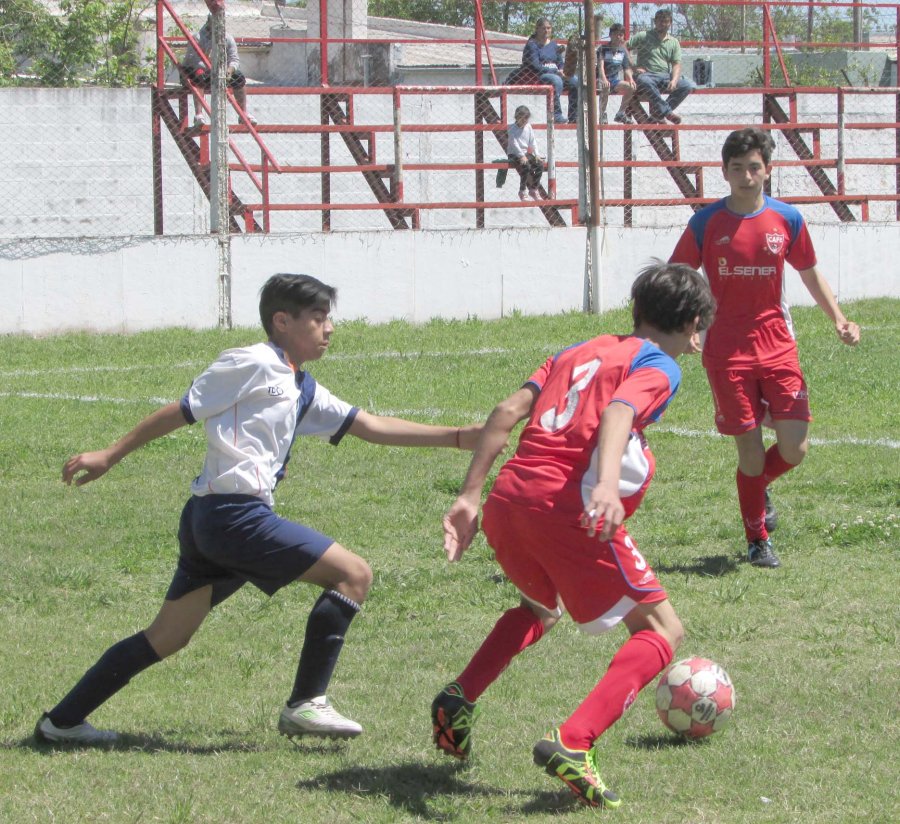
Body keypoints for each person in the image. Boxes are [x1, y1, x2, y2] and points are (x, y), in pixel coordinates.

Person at [35, 273, 480, 746]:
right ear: (282, 321)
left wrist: (455, 437)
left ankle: (60, 722)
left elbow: (368, 425)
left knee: (167, 636)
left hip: (212, 520)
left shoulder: (301, 386)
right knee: (354, 574)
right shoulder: (250, 362)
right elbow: (182, 409)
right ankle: (306, 704)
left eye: (329, 317)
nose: (328, 328)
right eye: (318, 317)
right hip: (232, 518)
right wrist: (111, 454)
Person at [431, 263, 716, 809]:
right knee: (662, 629)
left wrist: (469, 495)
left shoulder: (577, 350)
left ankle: (461, 695)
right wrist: (606, 486)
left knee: (540, 608)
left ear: (637, 310)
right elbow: (619, 411)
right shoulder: (657, 363)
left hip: (509, 500)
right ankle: (575, 741)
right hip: (566, 507)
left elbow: (506, 411)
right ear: (695, 324)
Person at [669, 128, 860, 568]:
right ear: (725, 172)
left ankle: (757, 488)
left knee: (795, 448)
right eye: (737, 168)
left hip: (777, 344)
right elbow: (680, 275)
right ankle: (757, 538)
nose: (746, 175)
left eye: (754, 167)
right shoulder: (706, 222)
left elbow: (810, 273)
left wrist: (839, 319)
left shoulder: (787, 219)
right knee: (750, 453)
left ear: (767, 170)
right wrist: (688, 324)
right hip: (727, 352)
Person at [181, 14, 256, 128]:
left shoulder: (227, 38)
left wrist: (230, 70)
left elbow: (234, 59)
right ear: (209, 23)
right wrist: (214, 69)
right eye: (215, 22)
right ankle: (199, 115)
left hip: (218, 72)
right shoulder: (198, 37)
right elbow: (194, 61)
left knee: (239, 77)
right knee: (199, 75)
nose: (219, 26)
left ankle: (243, 113)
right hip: (196, 70)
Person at [627, 9, 693, 124]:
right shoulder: (644, 36)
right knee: (644, 80)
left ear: (670, 23)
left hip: (664, 77)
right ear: (655, 22)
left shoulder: (673, 42)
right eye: (660, 21)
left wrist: (674, 80)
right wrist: (633, 67)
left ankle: (658, 113)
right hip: (647, 76)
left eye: (666, 21)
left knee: (686, 85)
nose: (663, 24)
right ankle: (667, 113)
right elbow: (624, 46)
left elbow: (676, 64)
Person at [519, 18, 580, 125]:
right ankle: (556, 115)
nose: (546, 31)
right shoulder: (532, 45)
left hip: (556, 73)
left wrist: (562, 70)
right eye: (543, 28)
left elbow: (560, 62)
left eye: (548, 28)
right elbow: (535, 66)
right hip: (539, 76)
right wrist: (554, 71)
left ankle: (573, 116)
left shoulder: (553, 45)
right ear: (537, 29)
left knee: (574, 81)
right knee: (556, 80)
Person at [598, 23, 636, 125]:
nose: (618, 37)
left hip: (614, 80)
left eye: (621, 35)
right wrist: (604, 79)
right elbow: (600, 66)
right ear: (610, 35)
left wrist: (631, 79)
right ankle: (602, 114)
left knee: (631, 87)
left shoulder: (622, 51)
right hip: (601, 79)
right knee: (606, 87)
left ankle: (620, 113)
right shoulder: (603, 49)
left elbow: (626, 68)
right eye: (616, 34)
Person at [507, 105, 544, 201]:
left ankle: (534, 189)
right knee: (526, 166)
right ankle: (522, 190)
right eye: (522, 119)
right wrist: (521, 156)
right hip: (514, 153)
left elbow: (533, 141)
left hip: (525, 153)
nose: (524, 122)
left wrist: (537, 154)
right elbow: (514, 144)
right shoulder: (511, 128)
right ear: (517, 117)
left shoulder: (528, 127)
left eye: (526, 119)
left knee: (540, 165)